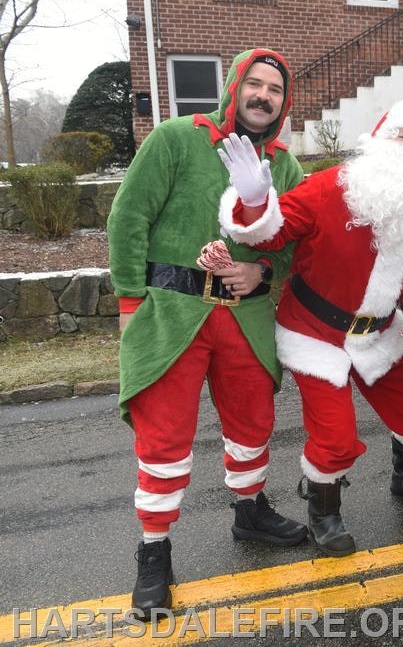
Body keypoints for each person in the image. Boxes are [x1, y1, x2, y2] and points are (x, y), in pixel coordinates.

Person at [107, 49, 307, 615]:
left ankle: (249, 512)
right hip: (173, 313)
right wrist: (129, 303)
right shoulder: (176, 138)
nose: (264, 95)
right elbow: (128, 218)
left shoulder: (286, 167)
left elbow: (295, 244)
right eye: (256, 83)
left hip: (244, 318)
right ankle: (154, 550)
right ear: (235, 85)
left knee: (253, 424)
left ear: (283, 102)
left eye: (275, 89)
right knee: (164, 436)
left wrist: (262, 270)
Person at [217, 99, 403, 557]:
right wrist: (254, 200)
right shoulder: (328, 188)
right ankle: (324, 511)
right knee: (336, 438)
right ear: (378, 140)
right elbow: (268, 233)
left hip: (379, 333)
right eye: (401, 136)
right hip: (315, 333)